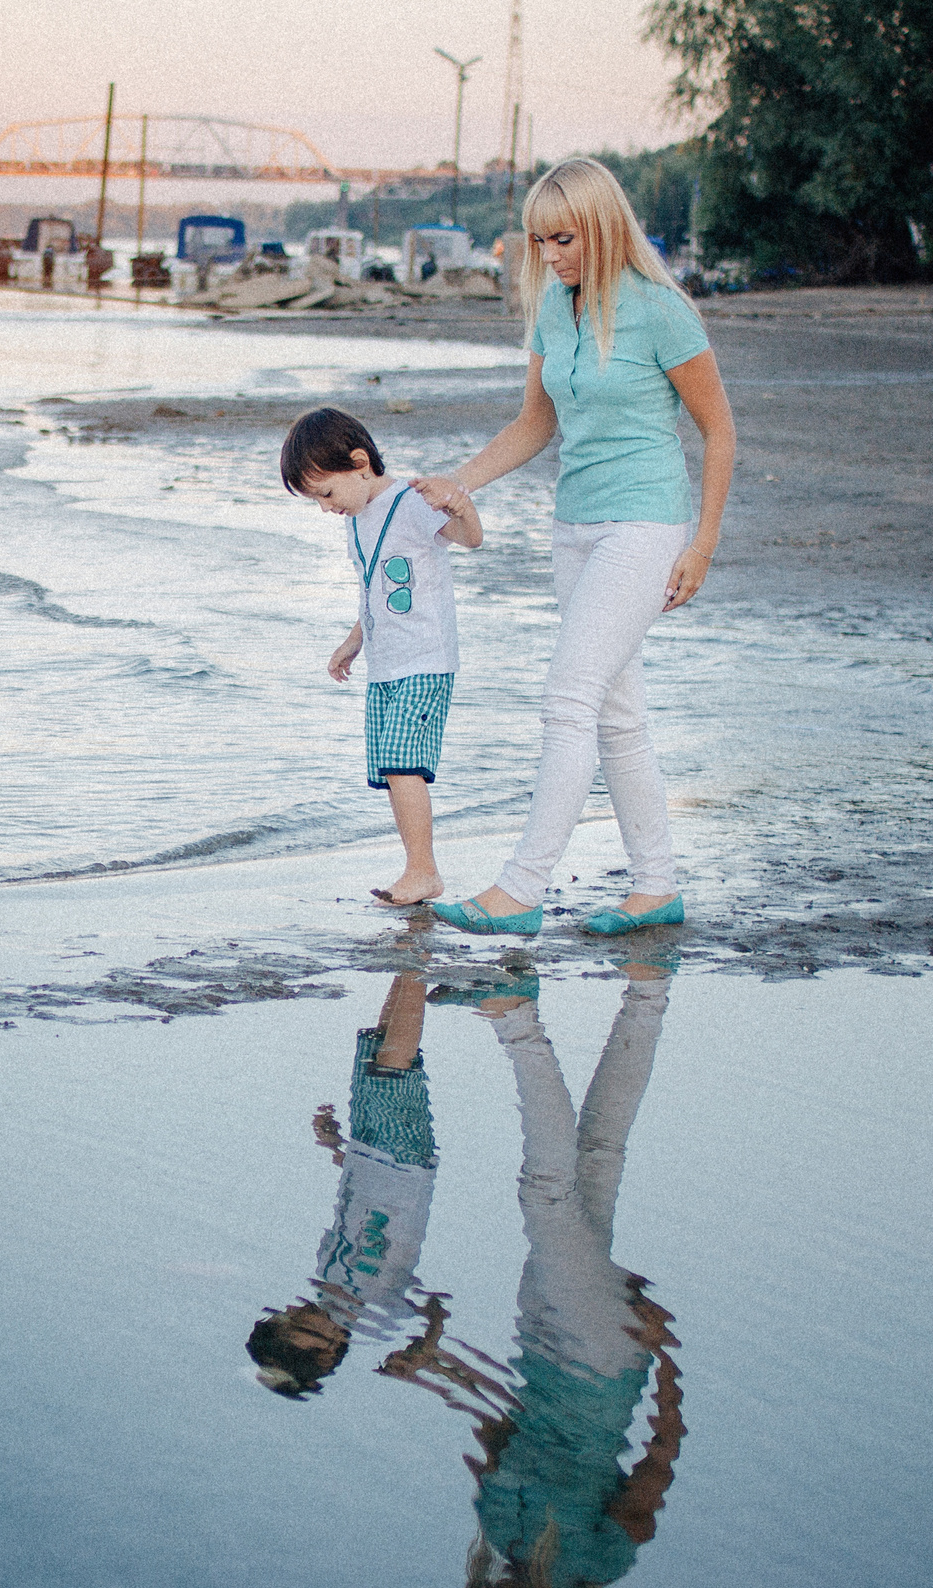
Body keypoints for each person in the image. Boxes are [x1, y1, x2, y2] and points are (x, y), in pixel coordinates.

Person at [412, 159, 737, 937]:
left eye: (563, 238)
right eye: (538, 240)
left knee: (569, 696)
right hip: (575, 528)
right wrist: (460, 481)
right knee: (619, 712)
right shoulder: (554, 310)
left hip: (646, 526)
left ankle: (521, 888)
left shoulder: (662, 312)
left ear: (600, 227)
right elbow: (535, 423)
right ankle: (656, 885)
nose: (550, 255)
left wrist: (703, 543)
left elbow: (719, 430)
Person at [381, 959, 687, 1588]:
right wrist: (664, 1351)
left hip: (542, 1340)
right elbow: (660, 1458)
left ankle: (648, 990)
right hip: (603, 1357)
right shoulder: (593, 1563)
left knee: (595, 1159)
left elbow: (499, 1417)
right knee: (548, 1192)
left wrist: (433, 1364)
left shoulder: (495, 1533)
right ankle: (517, 1019)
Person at [281, 408, 485, 908]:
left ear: (359, 462)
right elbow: (371, 589)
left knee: (402, 763)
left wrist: (459, 503)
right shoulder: (357, 523)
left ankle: (423, 871)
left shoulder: (410, 502)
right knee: (393, 773)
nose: (327, 509)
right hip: (386, 665)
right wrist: (353, 641)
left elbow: (472, 539)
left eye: (326, 494)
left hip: (425, 658)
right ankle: (419, 869)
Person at [247, 970, 442, 1398]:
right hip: (405, 1164)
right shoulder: (381, 1310)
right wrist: (426, 1348)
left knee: (374, 1052)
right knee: (394, 1068)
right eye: (303, 1327)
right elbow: (434, 1307)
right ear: (333, 1348)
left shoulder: (325, 1274)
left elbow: (350, 1207)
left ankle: (406, 961)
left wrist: (338, 1148)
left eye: (287, 1318)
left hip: (367, 1155)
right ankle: (419, 964)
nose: (296, 1313)